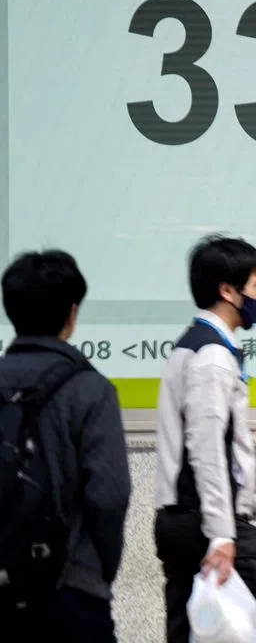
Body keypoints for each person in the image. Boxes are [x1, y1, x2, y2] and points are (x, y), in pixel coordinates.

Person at [153, 235, 256, 643]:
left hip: (180, 517)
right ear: (227, 291)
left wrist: (250, 480)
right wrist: (221, 534)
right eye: (255, 285)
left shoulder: (191, 348)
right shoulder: (213, 356)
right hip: (203, 520)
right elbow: (205, 450)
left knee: (193, 630)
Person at [0, 250, 131, 642]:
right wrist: (96, 570)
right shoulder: (90, 391)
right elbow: (110, 494)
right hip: (70, 588)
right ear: (71, 315)